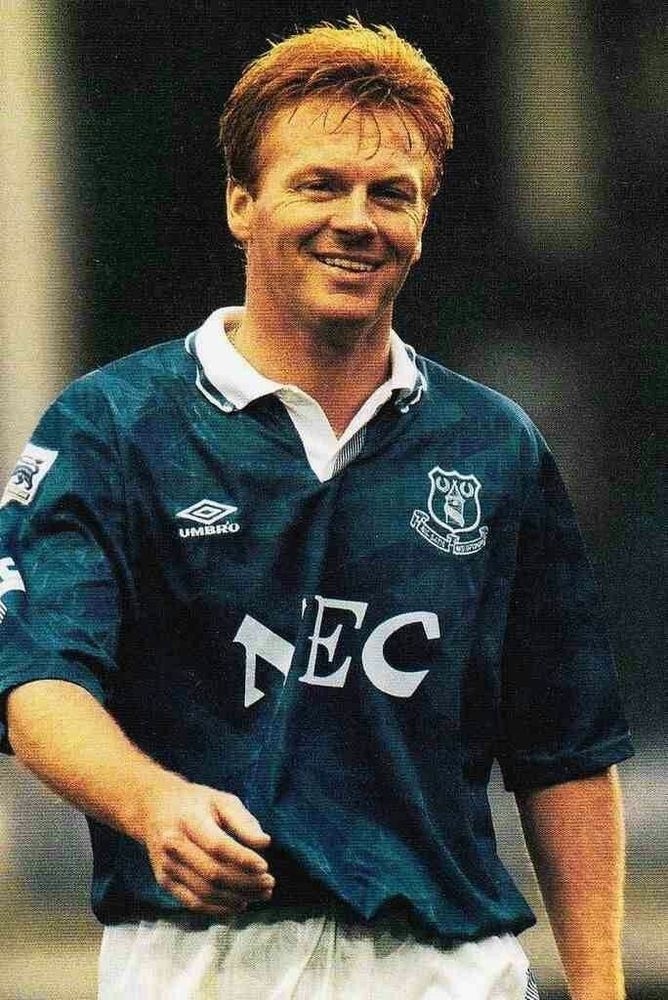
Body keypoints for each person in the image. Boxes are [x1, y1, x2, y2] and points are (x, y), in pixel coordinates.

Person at [0, 18, 632, 1000]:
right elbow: (38, 685)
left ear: (422, 219)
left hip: (446, 972)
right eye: (319, 184)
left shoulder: (492, 446)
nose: (356, 220)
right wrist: (152, 803)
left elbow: (566, 752)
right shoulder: (112, 427)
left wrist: (598, 987)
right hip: (201, 969)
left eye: (391, 193)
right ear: (240, 203)